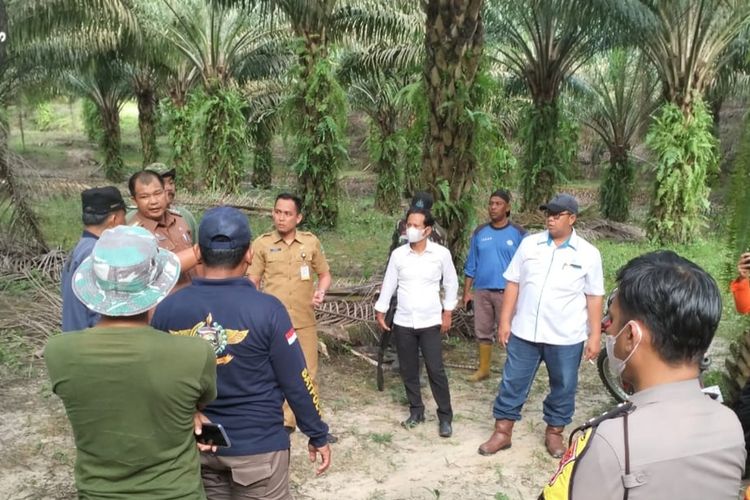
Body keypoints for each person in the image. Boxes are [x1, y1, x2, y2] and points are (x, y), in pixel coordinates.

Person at [151, 206, 331, 499]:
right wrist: (317, 433)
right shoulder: (268, 310)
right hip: (257, 450)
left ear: (197, 251)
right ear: (249, 253)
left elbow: (156, 380)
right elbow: (297, 380)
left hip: (194, 446)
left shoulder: (169, 309)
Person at [540, 250, 746, 499]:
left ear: (631, 337)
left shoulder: (611, 441)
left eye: (613, 321)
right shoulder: (731, 425)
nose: (609, 330)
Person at [45, 226, 217, 499]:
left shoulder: (58, 352)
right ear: (159, 285)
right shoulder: (194, 354)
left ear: (93, 283)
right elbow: (199, 400)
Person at [478, 193, 604, 458]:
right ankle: (503, 431)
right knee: (513, 380)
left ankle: (554, 433)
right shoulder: (530, 244)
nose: (550, 219)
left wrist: (594, 336)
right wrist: (505, 321)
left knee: (564, 384)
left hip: (566, 335)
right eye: (548, 214)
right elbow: (513, 282)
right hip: (525, 332)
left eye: (557, 215)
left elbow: (594, 296)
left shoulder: (589, 254)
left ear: (572, 218)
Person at [248, 193, 333, 436]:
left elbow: (324, 274)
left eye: (287, 213)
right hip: (273, 323)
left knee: (309, 374)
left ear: (298, 217)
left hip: (304, 320)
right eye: (277, 212)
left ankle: (313, 424)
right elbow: (253, 280)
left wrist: (321, 291)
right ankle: (284, 423)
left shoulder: (310, 243)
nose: (281, 218)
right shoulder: (262, 244)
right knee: (272, 372)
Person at [375, 207, 458, 437]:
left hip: (430, 320)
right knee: (408, 368)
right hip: (403, 321)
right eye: (408, 225)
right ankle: (416, 410)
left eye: (415, 225)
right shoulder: (399, 255)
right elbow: (389, 283)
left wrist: (448, 312)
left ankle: (445, 416)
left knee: (435, 369)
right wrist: (380, 310)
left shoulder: (441, 254)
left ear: (427, 230)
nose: (409, 229)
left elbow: (451, 283)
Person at [462, 189, 526, 382]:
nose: (493, 207)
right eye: (491, 203)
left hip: (507, 292)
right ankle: (484, 369)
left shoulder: (519, 234)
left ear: (508, 207)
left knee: (511, 332)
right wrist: (467, 292)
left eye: (498, 203)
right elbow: (471, 263)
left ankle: (514, 372)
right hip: (482, 290)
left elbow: (527, 265)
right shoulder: (480, 232)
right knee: (483, 330)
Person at [61, 186, 126, 332]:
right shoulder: (99, 255)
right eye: (124, 217)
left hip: (74, 338)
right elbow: (100, 310)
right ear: (114, 219)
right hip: (89, 343)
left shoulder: (80, 249)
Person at [128, 169, 195, 286]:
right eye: (144, 197)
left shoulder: (180, 220)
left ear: (165, 193)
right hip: (163, 302)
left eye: (157, 193)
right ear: (134, 201)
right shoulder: (133, 234)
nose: (153, 201)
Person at [152, 163, 199, 244]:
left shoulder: (185, 216)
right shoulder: (133, 221)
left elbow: (196, 250)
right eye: (162, 183)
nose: (169, 188)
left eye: (171, 183)